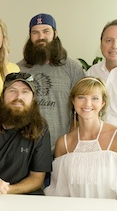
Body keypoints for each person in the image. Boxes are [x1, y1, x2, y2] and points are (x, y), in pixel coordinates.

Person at [45, 77, 117, 208]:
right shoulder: (63, 143)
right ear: (73, 101)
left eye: (95, 98)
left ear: (103, 103)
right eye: (81, 97)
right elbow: (59, 194)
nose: (87, 104)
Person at [18, 13, 85, 150]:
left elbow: (82, 111)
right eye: (35, 32)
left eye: (46, 31)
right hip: (24, 148)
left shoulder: (72, 69)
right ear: (30, 36)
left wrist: (72, 142)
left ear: (55, 34)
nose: (41, 36)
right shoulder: (19, 69)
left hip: (60, 149)